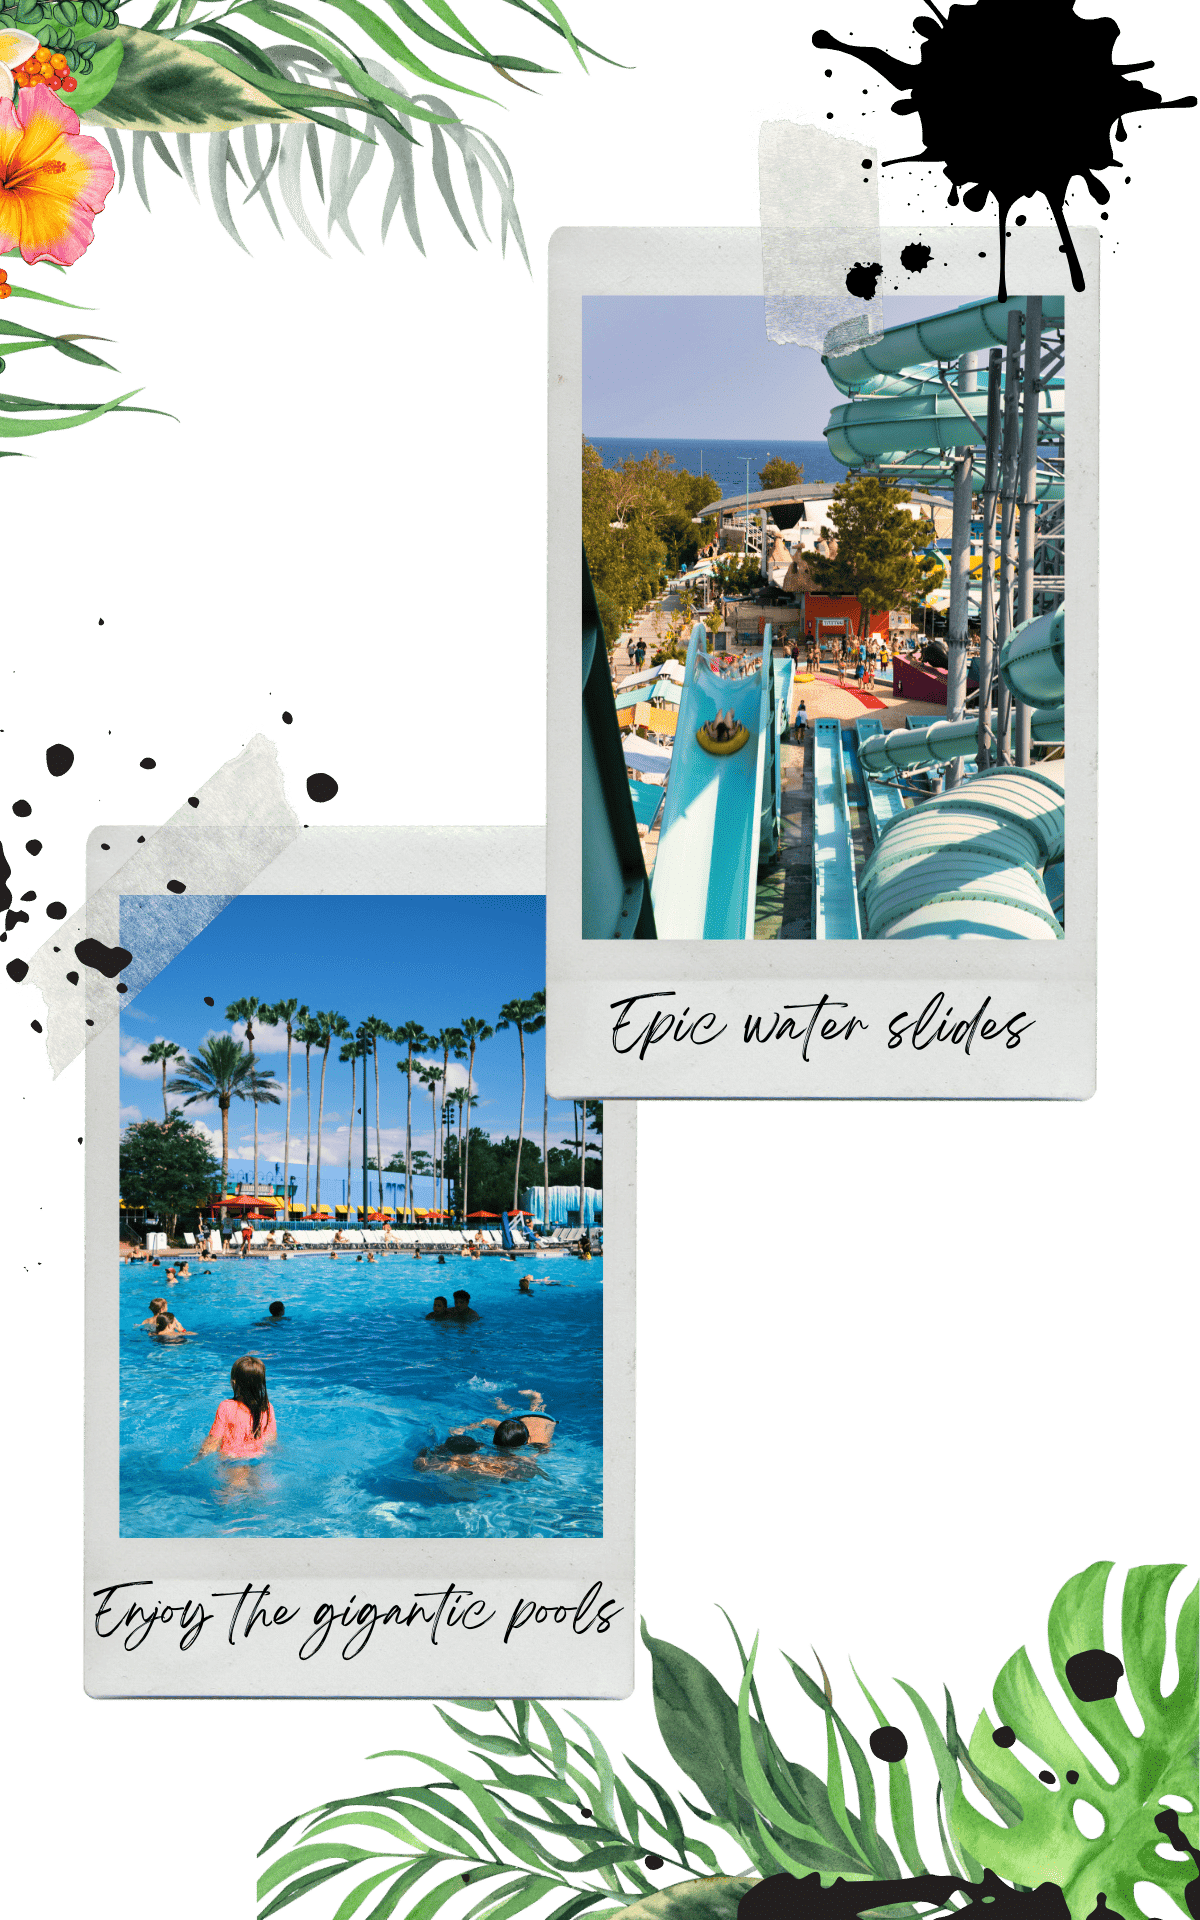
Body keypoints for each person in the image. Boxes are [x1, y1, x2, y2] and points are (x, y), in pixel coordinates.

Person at [195, 1354, 277, 1460]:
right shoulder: (267, 1406)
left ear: (234, 1382)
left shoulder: (226, 1406)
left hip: (232, 1458)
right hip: (258, 1456)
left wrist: (196, 1459)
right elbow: (271, 1439)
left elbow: (213, 1441)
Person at [413, 1428, 539, 1482]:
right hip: (512, 1473)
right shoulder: (481, 1456)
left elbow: (419, 1466)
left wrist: (423, 1452)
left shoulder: (451, 1465)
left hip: (501, 1479)